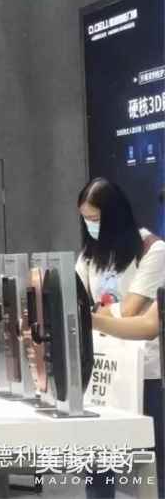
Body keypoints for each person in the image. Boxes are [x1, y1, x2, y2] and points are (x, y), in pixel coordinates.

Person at [76, 178, 165, 497]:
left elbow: (133, 312)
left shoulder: (152, 250)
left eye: (96, 219)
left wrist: (93, 317)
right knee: (98, 461)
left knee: (151, 463)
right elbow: (80, 300)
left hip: (145, 370)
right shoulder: (89, 255)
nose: (91, 226)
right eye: (86, 219)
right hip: (103, 368)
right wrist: (96, 315)